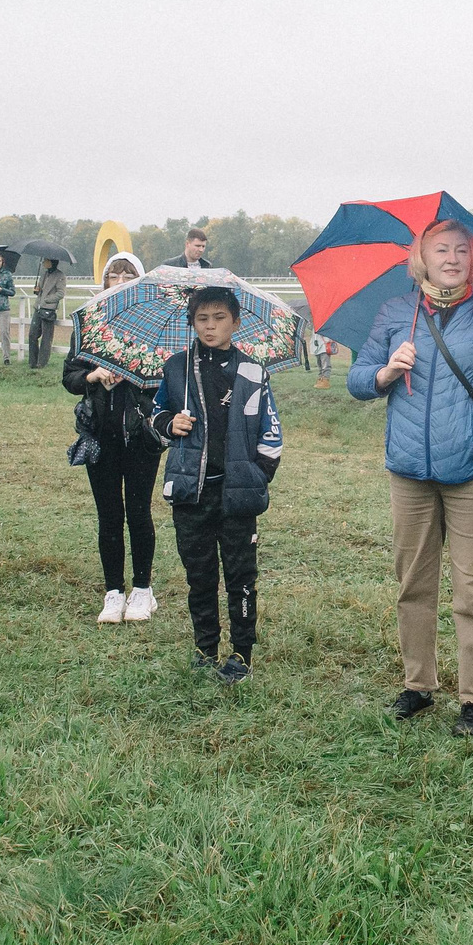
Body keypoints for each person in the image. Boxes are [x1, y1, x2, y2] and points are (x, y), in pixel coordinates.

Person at [348, 220, 473, 736]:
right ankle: (418, 684)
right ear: (421, 258)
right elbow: (358, 379)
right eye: (441, 249)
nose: (452, 258)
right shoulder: (395, 312)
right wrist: (385, 372)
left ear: (472, 260)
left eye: (461, 250)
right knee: (413, 584)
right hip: (409, 470)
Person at [150, 285, 283, 682]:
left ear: (235, 323)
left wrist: (254, 476)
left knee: (241, 576)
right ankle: (205, 646)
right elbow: (154, 414)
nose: (210, 326)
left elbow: (271, 435)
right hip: (190, 492)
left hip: (236, 492)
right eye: (202, 319)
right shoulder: (176, 367)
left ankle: (242, 652)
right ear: (192, 323)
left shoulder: (253, 372)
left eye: (219, 318)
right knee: (199, 574)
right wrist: (169, 423)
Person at [64, 252, 162, 624]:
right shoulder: (90, 324)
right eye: (113, 275)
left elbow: (165, 381)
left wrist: (135, 379)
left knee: (138, 512)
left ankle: (142, 589)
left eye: (127, 275)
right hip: (100, 435)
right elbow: (69, 377)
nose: (119, 281)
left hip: (140, 437)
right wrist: (93, 376)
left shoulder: (152, 328)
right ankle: (113, 591)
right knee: (108, 514)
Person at [28, 257, 67, 367]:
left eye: (46, 261)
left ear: (52, 262)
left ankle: (42, 362)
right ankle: (32, 361)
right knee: (32, 335)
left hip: (48, 310)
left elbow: (60, 293)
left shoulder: (60, 276)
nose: (43, 262)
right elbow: (41, 291)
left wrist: (47, 299)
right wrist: (37, 291)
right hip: (38, 308)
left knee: (46, 337)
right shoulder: (44, 274)